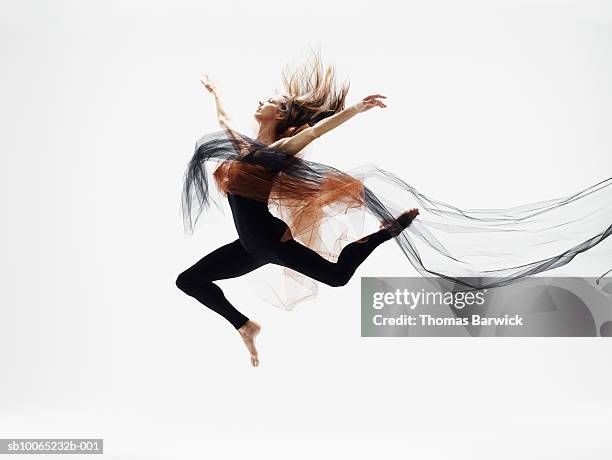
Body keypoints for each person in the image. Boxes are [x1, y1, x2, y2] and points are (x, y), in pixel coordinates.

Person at [177, 50, 612, 367]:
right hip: (254, 245)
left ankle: (388, 229)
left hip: (266, 239)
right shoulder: (242, 146)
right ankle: (244, 325)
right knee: (188, 280)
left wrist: (356, 109)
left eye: (270, 101)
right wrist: (216, 93)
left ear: (284, 118)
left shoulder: (282, 147)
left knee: (337, 276)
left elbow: (315, 134)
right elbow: (224, 121)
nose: (262, 102)